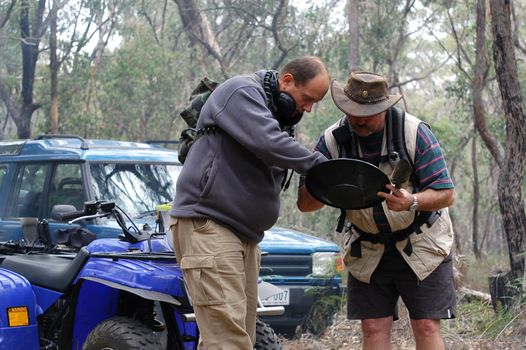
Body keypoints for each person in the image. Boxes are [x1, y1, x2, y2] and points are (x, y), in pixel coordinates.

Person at [169, 56, 330, 349]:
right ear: (287, 81)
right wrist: (322, 166)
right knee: (228, 341)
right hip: (210, 225)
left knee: (238, 335)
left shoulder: (278, 118)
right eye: (307, 99)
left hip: (245, 236)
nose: (308, 108)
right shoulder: (241, 91)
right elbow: (267, 143)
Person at [297, 71, 456, 350]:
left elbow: (446, 193)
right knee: (372, 327)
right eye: (352, 111)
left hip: (422, 241)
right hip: (367, 245)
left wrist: (412, 200)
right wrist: (326, 185)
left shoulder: (414, 133)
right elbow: (306, 204)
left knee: (426, 324)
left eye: (367, 113)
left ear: (384, 108)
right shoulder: (331, 141)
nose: (358, 119)